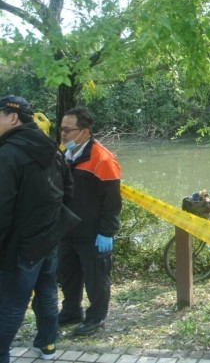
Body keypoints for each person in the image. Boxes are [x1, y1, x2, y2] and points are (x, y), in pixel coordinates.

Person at [0, 95, 75, 362]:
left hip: (22, 245)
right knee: (46, 290)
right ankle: (47, 346)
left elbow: (3, 207)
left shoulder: (8, 153)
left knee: (11, 302)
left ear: (12, 117)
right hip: (49, 238)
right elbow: (67, 192)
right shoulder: (51, 148)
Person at [57, 106, 122, 336]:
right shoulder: (66, 154)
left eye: (68, 130)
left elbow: (112, 202)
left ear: (84, 131)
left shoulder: (102, 159)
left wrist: (107, 232)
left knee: (96, 278)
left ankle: (96, 317)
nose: (63, 134)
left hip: (93, 233)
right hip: (67, 231)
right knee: (68, 275)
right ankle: (71, 311)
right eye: (61, 129)